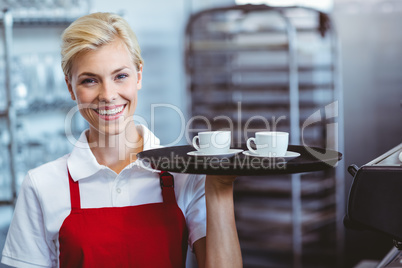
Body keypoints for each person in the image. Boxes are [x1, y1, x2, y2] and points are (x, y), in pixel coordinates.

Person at [1, 12, 242, 268]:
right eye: (90, 80)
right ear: (70, 88)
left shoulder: (184, 174)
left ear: (139, 75)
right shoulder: (42, 185)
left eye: (120, 76)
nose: (108, 95)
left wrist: (219, 186)